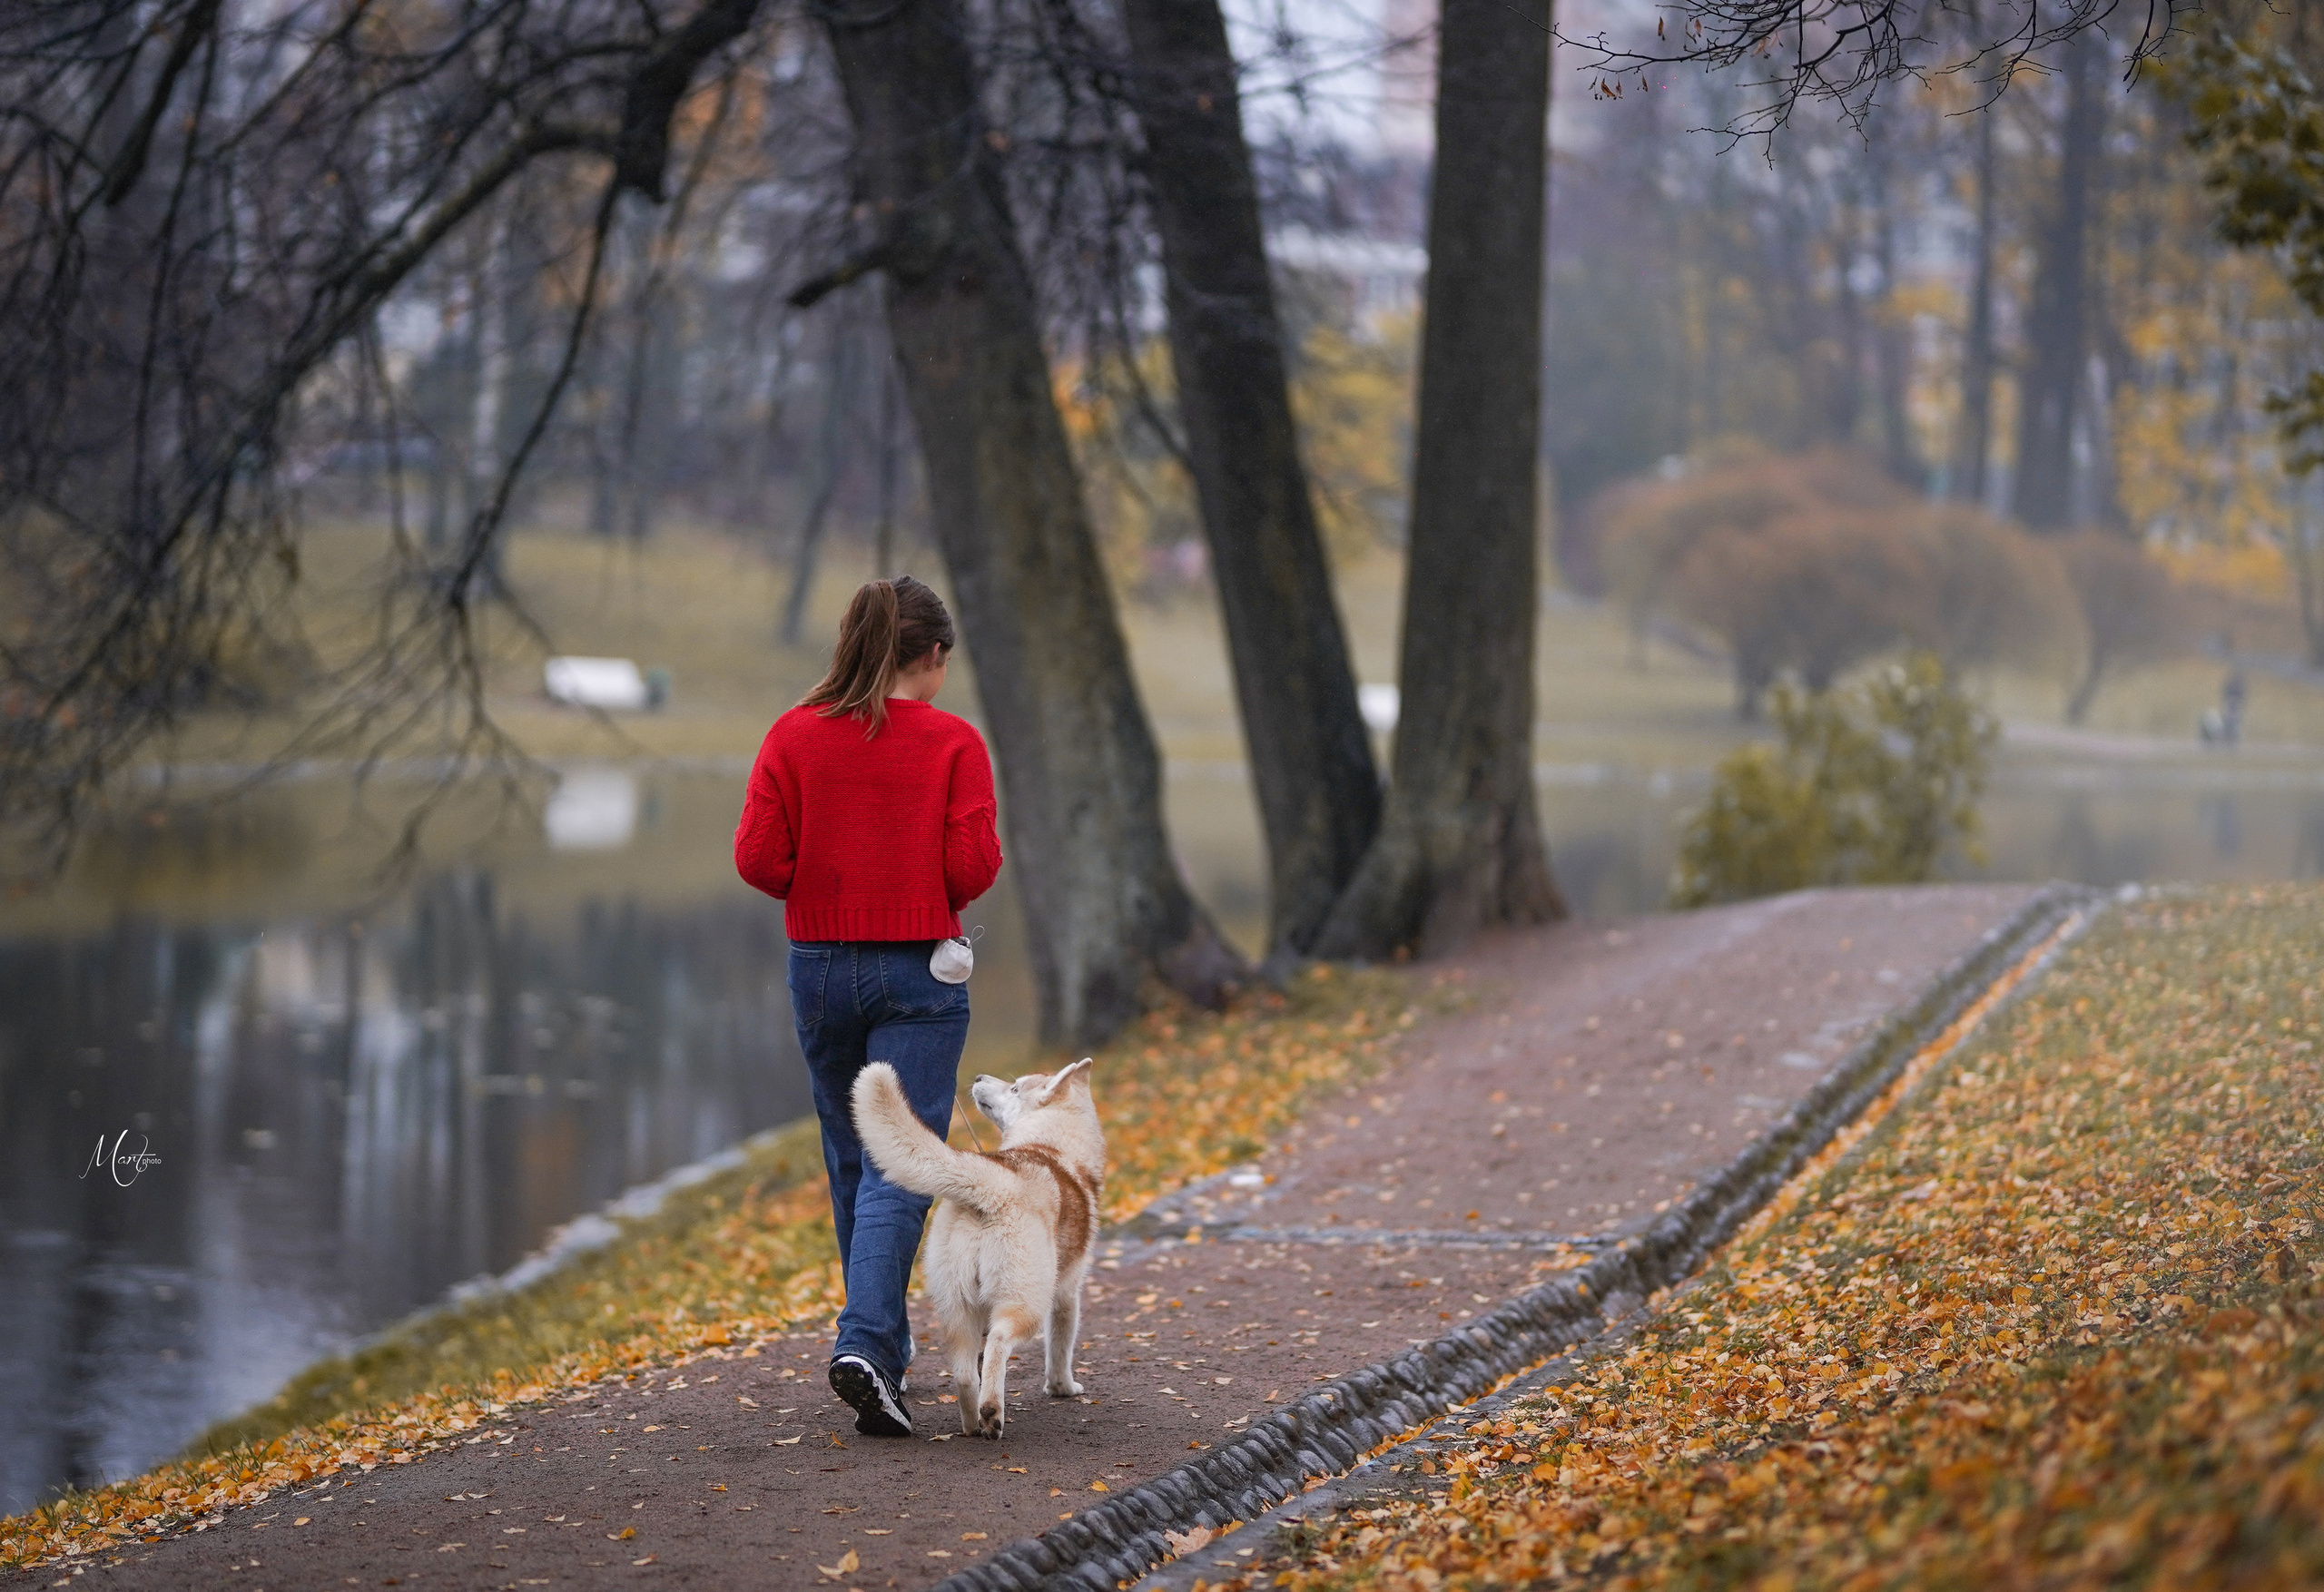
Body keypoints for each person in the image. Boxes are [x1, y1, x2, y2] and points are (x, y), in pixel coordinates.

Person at [734, 575, 1003, 1436]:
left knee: (853, 1152)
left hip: (818, 969)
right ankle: (867, 1344)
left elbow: (758, 859)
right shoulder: (954, 743)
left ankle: (877, 1349)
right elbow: (971, 868)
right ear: (933, 654)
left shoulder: (792, 734)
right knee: (905, 1161)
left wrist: (826, 883)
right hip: (919, 971)